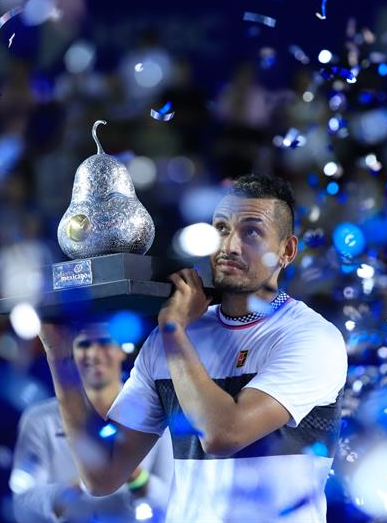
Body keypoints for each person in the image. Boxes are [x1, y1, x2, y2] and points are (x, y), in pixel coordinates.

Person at [39, 173, 348, 522]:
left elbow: (223, 435)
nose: (229, 246)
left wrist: (173, 329)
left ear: (286, 251)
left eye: (252, 232)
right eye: (221, 229)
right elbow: (102, 475)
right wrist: (59, 355)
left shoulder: (311, 337)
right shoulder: (169, 340)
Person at [11, 324, 172, 522]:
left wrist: (133, 474)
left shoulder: (153, 412)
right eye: (84, 345)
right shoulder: (40, 419)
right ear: (72, 352)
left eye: (104, 343)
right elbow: (22, 506)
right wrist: (79, 486)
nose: (94, 354)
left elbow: (172, 501)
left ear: (122, 350)